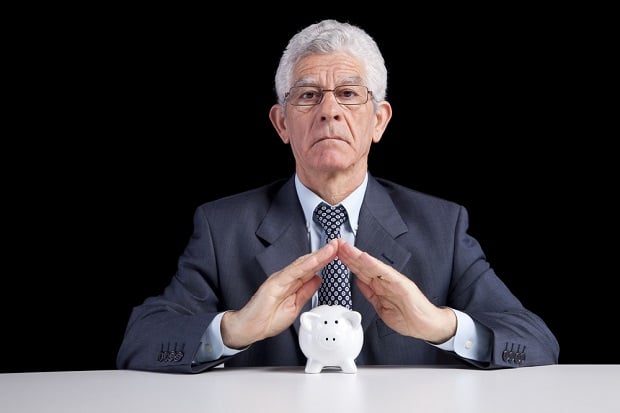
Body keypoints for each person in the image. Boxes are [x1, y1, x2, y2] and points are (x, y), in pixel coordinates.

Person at [116, 19, 559, 373]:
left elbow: (535, 341)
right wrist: (232, 330)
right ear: (282, 123)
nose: (329, 109)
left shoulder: (442, 227)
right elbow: (141, 341)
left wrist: (441, 325)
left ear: (379, 120)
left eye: (348, 94)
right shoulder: (221, 227)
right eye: (308, 96)